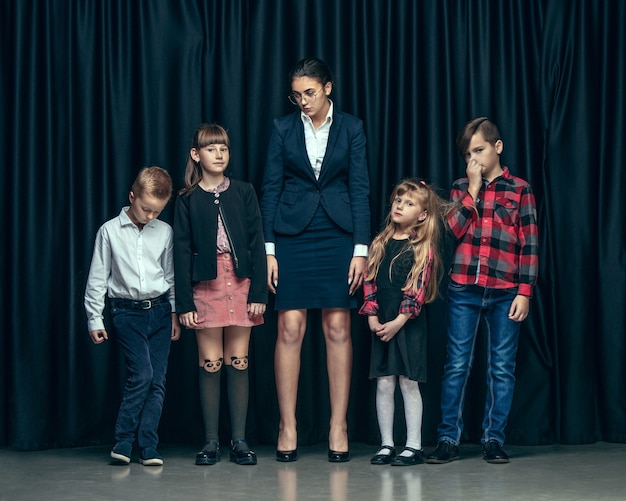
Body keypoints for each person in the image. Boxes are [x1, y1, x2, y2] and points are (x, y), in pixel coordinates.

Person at [260, 57, 370, 462]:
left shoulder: (352, 128)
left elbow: (360, 189)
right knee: (289, 325)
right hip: (292, 235)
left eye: (309, 92)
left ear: (328, 87)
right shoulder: (282, 128)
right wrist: (269, 250)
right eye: (296, 94)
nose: (302, 101)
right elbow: (270, 188)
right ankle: (286, 424)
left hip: (338, 235)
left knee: (338, 325)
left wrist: (361, 249)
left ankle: (337, 425)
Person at [426, 117, 539, 464]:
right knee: (457, 364)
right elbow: (453, 230)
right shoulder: (462, 185)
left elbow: (529, 244)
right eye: (467, 153)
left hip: (505, 290)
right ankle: (448, 439)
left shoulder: (520, 189)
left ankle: (494, 439)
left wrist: (525, 291)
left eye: (479, 150)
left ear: (497, 147)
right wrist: (473, 190)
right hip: (465, 288)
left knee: (501, 366)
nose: (472, 158)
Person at [174, 123, 267, 466]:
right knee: (211, 361)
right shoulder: (187, 198)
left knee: (238, 360)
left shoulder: (243, 191)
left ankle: (239, 440)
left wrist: (259, 290)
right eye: (211, 149)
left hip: (241, 284)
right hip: (206, 286)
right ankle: (210, 440)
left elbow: (257, 243)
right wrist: (183, 303)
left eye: (223, 149)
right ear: (196, 155)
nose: (219, 154)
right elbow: (181, 252)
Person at [84, 166, 181, 467]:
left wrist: (176, 313)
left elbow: (171, 275)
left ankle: (148, 445)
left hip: (162, 312)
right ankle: (123, 441)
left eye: (157, 211)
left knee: (157, 381)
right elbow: (98, 278)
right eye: (145, 208)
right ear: (132, 196)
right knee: (142, 375)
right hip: (126, 313)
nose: (150, 216)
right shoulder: (109, 231)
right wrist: (94, 318)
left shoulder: (164, 231)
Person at [360, 179, 445, 466]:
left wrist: (399, 321)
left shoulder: (422, 247)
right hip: (382, 322)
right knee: (384, 383)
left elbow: (417, 291)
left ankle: (414, 445)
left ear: (422, 214)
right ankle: (387, 444)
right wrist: (372, 317)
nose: (400, 206)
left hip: (407, 325)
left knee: (409, 383)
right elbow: (369, 282)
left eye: (409, 203)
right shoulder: (380, 243)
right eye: (398, 200)